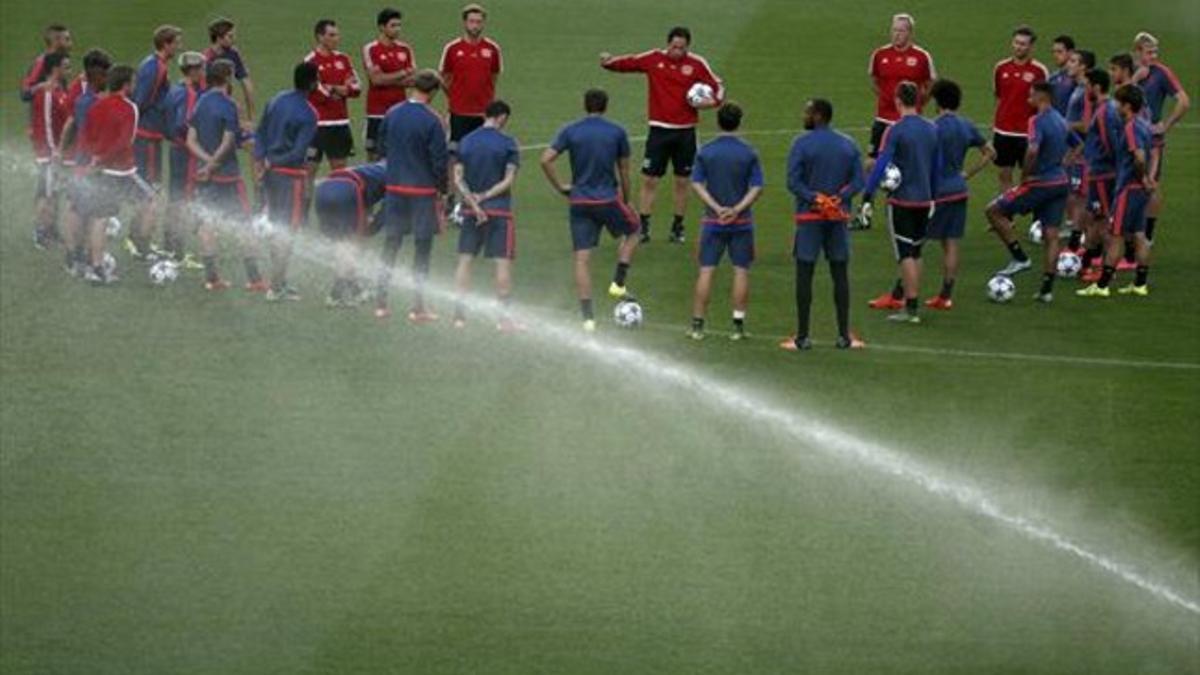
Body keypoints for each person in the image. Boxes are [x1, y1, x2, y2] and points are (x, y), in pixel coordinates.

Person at [600, 26, 723, 243]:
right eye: (674, 46)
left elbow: (717, 85)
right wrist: (609, 62)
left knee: (682, 181)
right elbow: (630, 63)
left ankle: (677, 227)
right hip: (658, 131)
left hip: (686, 133)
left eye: (682, 48)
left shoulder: (696, 64)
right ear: (668, 44)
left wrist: (713, 102)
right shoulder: (654, 59)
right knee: (649, 179)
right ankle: (644, 226)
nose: (677, 51)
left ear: (687, 47)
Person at [539, 88, 640, 332]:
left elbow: (545, 159)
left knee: (582, 260)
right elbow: (624, 171)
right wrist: (627, 201)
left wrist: (561, 187)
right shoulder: (617, 132)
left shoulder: (570, 130)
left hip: (580, 202)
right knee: (635, 230)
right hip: (607, 199)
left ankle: (588, 319)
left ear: (584, 105)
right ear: (605, 106)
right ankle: (618, 283)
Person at [782, 98, 864, 350]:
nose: (804, 115)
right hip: (837, 218)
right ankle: (843, 336)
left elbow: (793, 182)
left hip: (809, 219)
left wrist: (815, 198)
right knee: (840, 274)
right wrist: (839, 198)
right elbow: (858, 181)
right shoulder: (848, 145)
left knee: (805, 274)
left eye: (807, 112)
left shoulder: (801, 144)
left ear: (818, 115)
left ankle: (803, 337)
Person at [985, 82, 1076, 303]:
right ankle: (1046, 289)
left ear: (1041, 97)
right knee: (1051, 235)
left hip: (1040, 183)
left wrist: (1026, 176)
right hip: (1060, 182)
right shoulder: (1061, 120)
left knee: (993, 211)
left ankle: (1020, 258)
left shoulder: (1036, 120)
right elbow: (1077, 144)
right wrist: (1063, 163)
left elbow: (1033, 150)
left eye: (1031, 95)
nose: (1028, 98)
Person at [861, 81, 940, 324]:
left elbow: (881, 164)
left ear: (897, 100)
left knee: (904, 253)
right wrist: (934, 196)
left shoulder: (894, 130)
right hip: (926, 200)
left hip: (903, 201)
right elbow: (937, 165)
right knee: (916, 252)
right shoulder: (932, 128)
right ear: (918, 100)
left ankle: (911, 308)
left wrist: (867, 196)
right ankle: (911, 302)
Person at [376, 69, 448, 321]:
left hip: (394, 188)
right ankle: (418, 307)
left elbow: (379, 146)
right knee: (422, 248)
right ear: (433, 92)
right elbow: (439, 161)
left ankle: (381, 302)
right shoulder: (433, 119)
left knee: (391, 243)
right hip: (422, 192)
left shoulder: (392, 113)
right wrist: (443, 189)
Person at [687, 102, 763, 342]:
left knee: (706, 270)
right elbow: (757, 187)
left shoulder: (706, 152)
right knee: (741, 271)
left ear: (718, 122)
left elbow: (696, 183)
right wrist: (737, 209)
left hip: (712, 221)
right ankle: (738, 327)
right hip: (742, 223)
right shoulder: (749, 153)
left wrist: (717, 208)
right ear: (739, 123)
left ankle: (698, 326)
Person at [78, 65, 153, 285]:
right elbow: (124, 142)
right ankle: (141, 246)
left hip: (101, 171)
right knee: (150, 202)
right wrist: (102, 159)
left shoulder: (96, 106)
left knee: (99, 218)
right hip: (122, 172)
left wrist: (94, 158)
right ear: (127, 85)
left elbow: (87, 136)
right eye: (133, 82)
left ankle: (96, 267)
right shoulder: (130, 108)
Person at [1077, 85, 1154, 298]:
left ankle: (1102, 286)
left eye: (1119, 103)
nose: (1115, 106)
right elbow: (1151, 153)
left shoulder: (1130, 127)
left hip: (1128, 187)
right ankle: (1140, 284)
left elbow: (1138, 157)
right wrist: (1148, 179)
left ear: (1127, 106)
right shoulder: (1145, 125)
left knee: (1116, 235)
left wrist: (1141, 177)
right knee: (1139, 234)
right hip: (1141, 190)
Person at [923, 80, 994, 310]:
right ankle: (946, 295)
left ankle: (901, 291)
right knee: (951, 242)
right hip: (958, 190)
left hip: (937, 193)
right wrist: (966, 174)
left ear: (937, 101)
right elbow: (990, 152)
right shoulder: (966, 125)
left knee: (914, 243)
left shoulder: (934, 128)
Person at [253, 61, 320, 300]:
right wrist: (274, 162)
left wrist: (261, 160)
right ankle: (276, 286)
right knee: (287, 231)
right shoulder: (310, 113)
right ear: (313, 83)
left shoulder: (277, 99)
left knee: (275, 225)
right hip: (290, 179)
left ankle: (277, 280)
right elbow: (298, 153)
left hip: (270, 176)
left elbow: (259, 132)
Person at [452, 100, 521, 330]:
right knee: (501, 263)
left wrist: (473, 202)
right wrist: (485, 197)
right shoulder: (508, 143)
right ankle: (503, 320)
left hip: (471, 212)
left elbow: (458, 178)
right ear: (502, 117)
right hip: (499, 210)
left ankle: (459, 317)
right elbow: (508, 179)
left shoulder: (467, 141)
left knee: (465, 260)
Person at [187, 59, 253, 291]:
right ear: (227, 77)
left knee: (207, 224)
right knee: (244, 225)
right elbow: (228, 141)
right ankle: (254, 279)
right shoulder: (229, 105)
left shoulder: (200, 102)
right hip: (228, 177)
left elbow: (190, 140)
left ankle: (212, 278)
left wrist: (205, 164)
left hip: (204, 177)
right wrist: (214, 165)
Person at [129, 25, 183, 257]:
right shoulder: (155, 68)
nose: (179, 46)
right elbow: (140, 102)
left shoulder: (154, 64)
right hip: (147, 138)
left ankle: (135, 239)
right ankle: (141, 244)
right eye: (177, 42)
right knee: (150, 192)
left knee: (146, 191)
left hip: (150, 137)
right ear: (166, 44)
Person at [1131, 32, 1189, 247]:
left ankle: (1148, 233)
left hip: (1150, 142)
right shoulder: (1131, 71)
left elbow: (1184, 101)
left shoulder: (1162, 73)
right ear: (1137, 52)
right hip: (1128, 138)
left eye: (1155, 52)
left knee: (1151, 185)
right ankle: (1129, 227)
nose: (1153, 57)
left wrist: (1165, 125)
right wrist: (1135, 80)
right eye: (1148, 52)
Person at [59, 49, 112, 276]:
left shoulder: (82, 100)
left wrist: (61, 153)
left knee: (76, 208)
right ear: (97, 76)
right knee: (98, 214)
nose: (108, 78)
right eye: (106, 74)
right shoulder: (97, 104)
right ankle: (96, 265)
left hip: (79, 162)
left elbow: (71, 124)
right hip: (93, 165)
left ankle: (73, 257)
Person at [865, 14, 935, 167]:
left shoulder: (922, 57)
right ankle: (872, 190)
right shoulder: (880, 54)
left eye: (901, 31)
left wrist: (919, 103)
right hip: (883, 118)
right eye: (894, 30)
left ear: (910, 33)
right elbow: (874, 81)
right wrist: (886, 98)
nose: (896, 34)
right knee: (872, 163)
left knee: (908, 163)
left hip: (909, 120)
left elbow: (930, 84)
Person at [314, 161, 387, 307]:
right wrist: (373, 228)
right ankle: (337, 293)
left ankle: (355, 289)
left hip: (323, 190)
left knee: (341, 245)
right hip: (348, 190)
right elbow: (390, 207)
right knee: (351, 244)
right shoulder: (401, 174)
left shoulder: (378, 167)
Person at [992, 25, 1049, 193]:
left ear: (1031, 47)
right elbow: (998, 96)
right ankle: (1007, 214)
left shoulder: (1039, 71)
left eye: (1023, 44)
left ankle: (1031, 211)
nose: (1019, 47)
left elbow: (1044, 103)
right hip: (1003, 131)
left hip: (1027, 132)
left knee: (1030, 176)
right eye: (1016, 42)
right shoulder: (1001, 67)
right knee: (1004, 174)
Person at [439, 4, 502, 154]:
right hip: (459, 112)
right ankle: (455, 179)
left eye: (479, 22)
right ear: (465, 23)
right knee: (455, 152)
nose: (475, 26)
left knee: (481, 152)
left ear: (483, 24)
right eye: (472, 21)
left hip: (484, 113)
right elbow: (444, 77)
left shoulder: (492, 48)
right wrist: (455, 96)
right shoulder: (452, 48)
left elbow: (493, 77)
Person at [162, 51, 206, 263]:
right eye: (201, 69)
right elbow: (183, 123)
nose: (203, 73)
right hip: (186, 153)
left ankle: (169, 244)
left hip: (174, 150)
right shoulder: (188, 93)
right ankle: (177, 251)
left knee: (175, 197)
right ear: (194, 70)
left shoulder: (174, 90)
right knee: (184, 198)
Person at [1078, 68, 1121, 282]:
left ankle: (1105, 272)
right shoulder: (1107, 108)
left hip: (1103, 175)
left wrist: (1108, 166)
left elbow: (1110, 144)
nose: (1085, 89)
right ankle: (1087, 263)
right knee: (1097, 219)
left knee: (1104, 222)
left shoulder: (1105, 112)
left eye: (1087, 85)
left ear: (1095, 87)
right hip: (1100, 173)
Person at [305, 19, 361, 173]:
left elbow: (356, 88)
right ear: (320, 37)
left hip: (340, 123)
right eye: (332, 35)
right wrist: (341, 89)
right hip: (317, 125)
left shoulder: (343, 59)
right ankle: (304, 198)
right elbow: (316, 92)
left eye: (337, 35)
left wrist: (334, 88)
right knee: (309, 170)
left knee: (340, 171)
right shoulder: (310, 62)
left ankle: (337, 197)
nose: (337, 39)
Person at [29, 52, 71, 250]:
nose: (68, 70)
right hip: (48, 155)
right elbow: (46, 125)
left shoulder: (57, 90)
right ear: (55, 69)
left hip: (54, 153)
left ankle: (51, 230)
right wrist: (55, 152)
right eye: (66, 66)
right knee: (46, 194)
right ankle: (41, 233)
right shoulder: (46, 93)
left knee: (54, 193)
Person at [362, 8, 416, 161]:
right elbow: (376, 80)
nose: (397, 29)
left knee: (399, 154)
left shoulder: (405, 49)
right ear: (382, 27)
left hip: (399, 112)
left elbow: (412, 80)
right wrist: (402, 73)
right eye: (393, 25)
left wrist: (388, 77)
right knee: (373, 156)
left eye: (399, 25)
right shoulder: (371, 49)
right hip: (376, 112)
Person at [203, 18, 256, 120]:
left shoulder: (233, 53)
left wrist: (252, 116)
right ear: (219, 38)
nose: (234, 39)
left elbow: (246, 82)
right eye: (230, 36)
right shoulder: (207, 59)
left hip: (224, 104)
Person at [20, 23, 72, 103]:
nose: (70, 43)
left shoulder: (62, 61)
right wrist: (41, 86)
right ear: (56, 41)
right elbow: (25, 94)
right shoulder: (40, 63)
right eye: (67, 39)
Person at [1047, 35, 1076, 115]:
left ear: (1070, 52)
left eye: (1059, 52)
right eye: (1054, 52)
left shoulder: (1076, 78)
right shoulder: (1052, 78)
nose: (1055, 55)